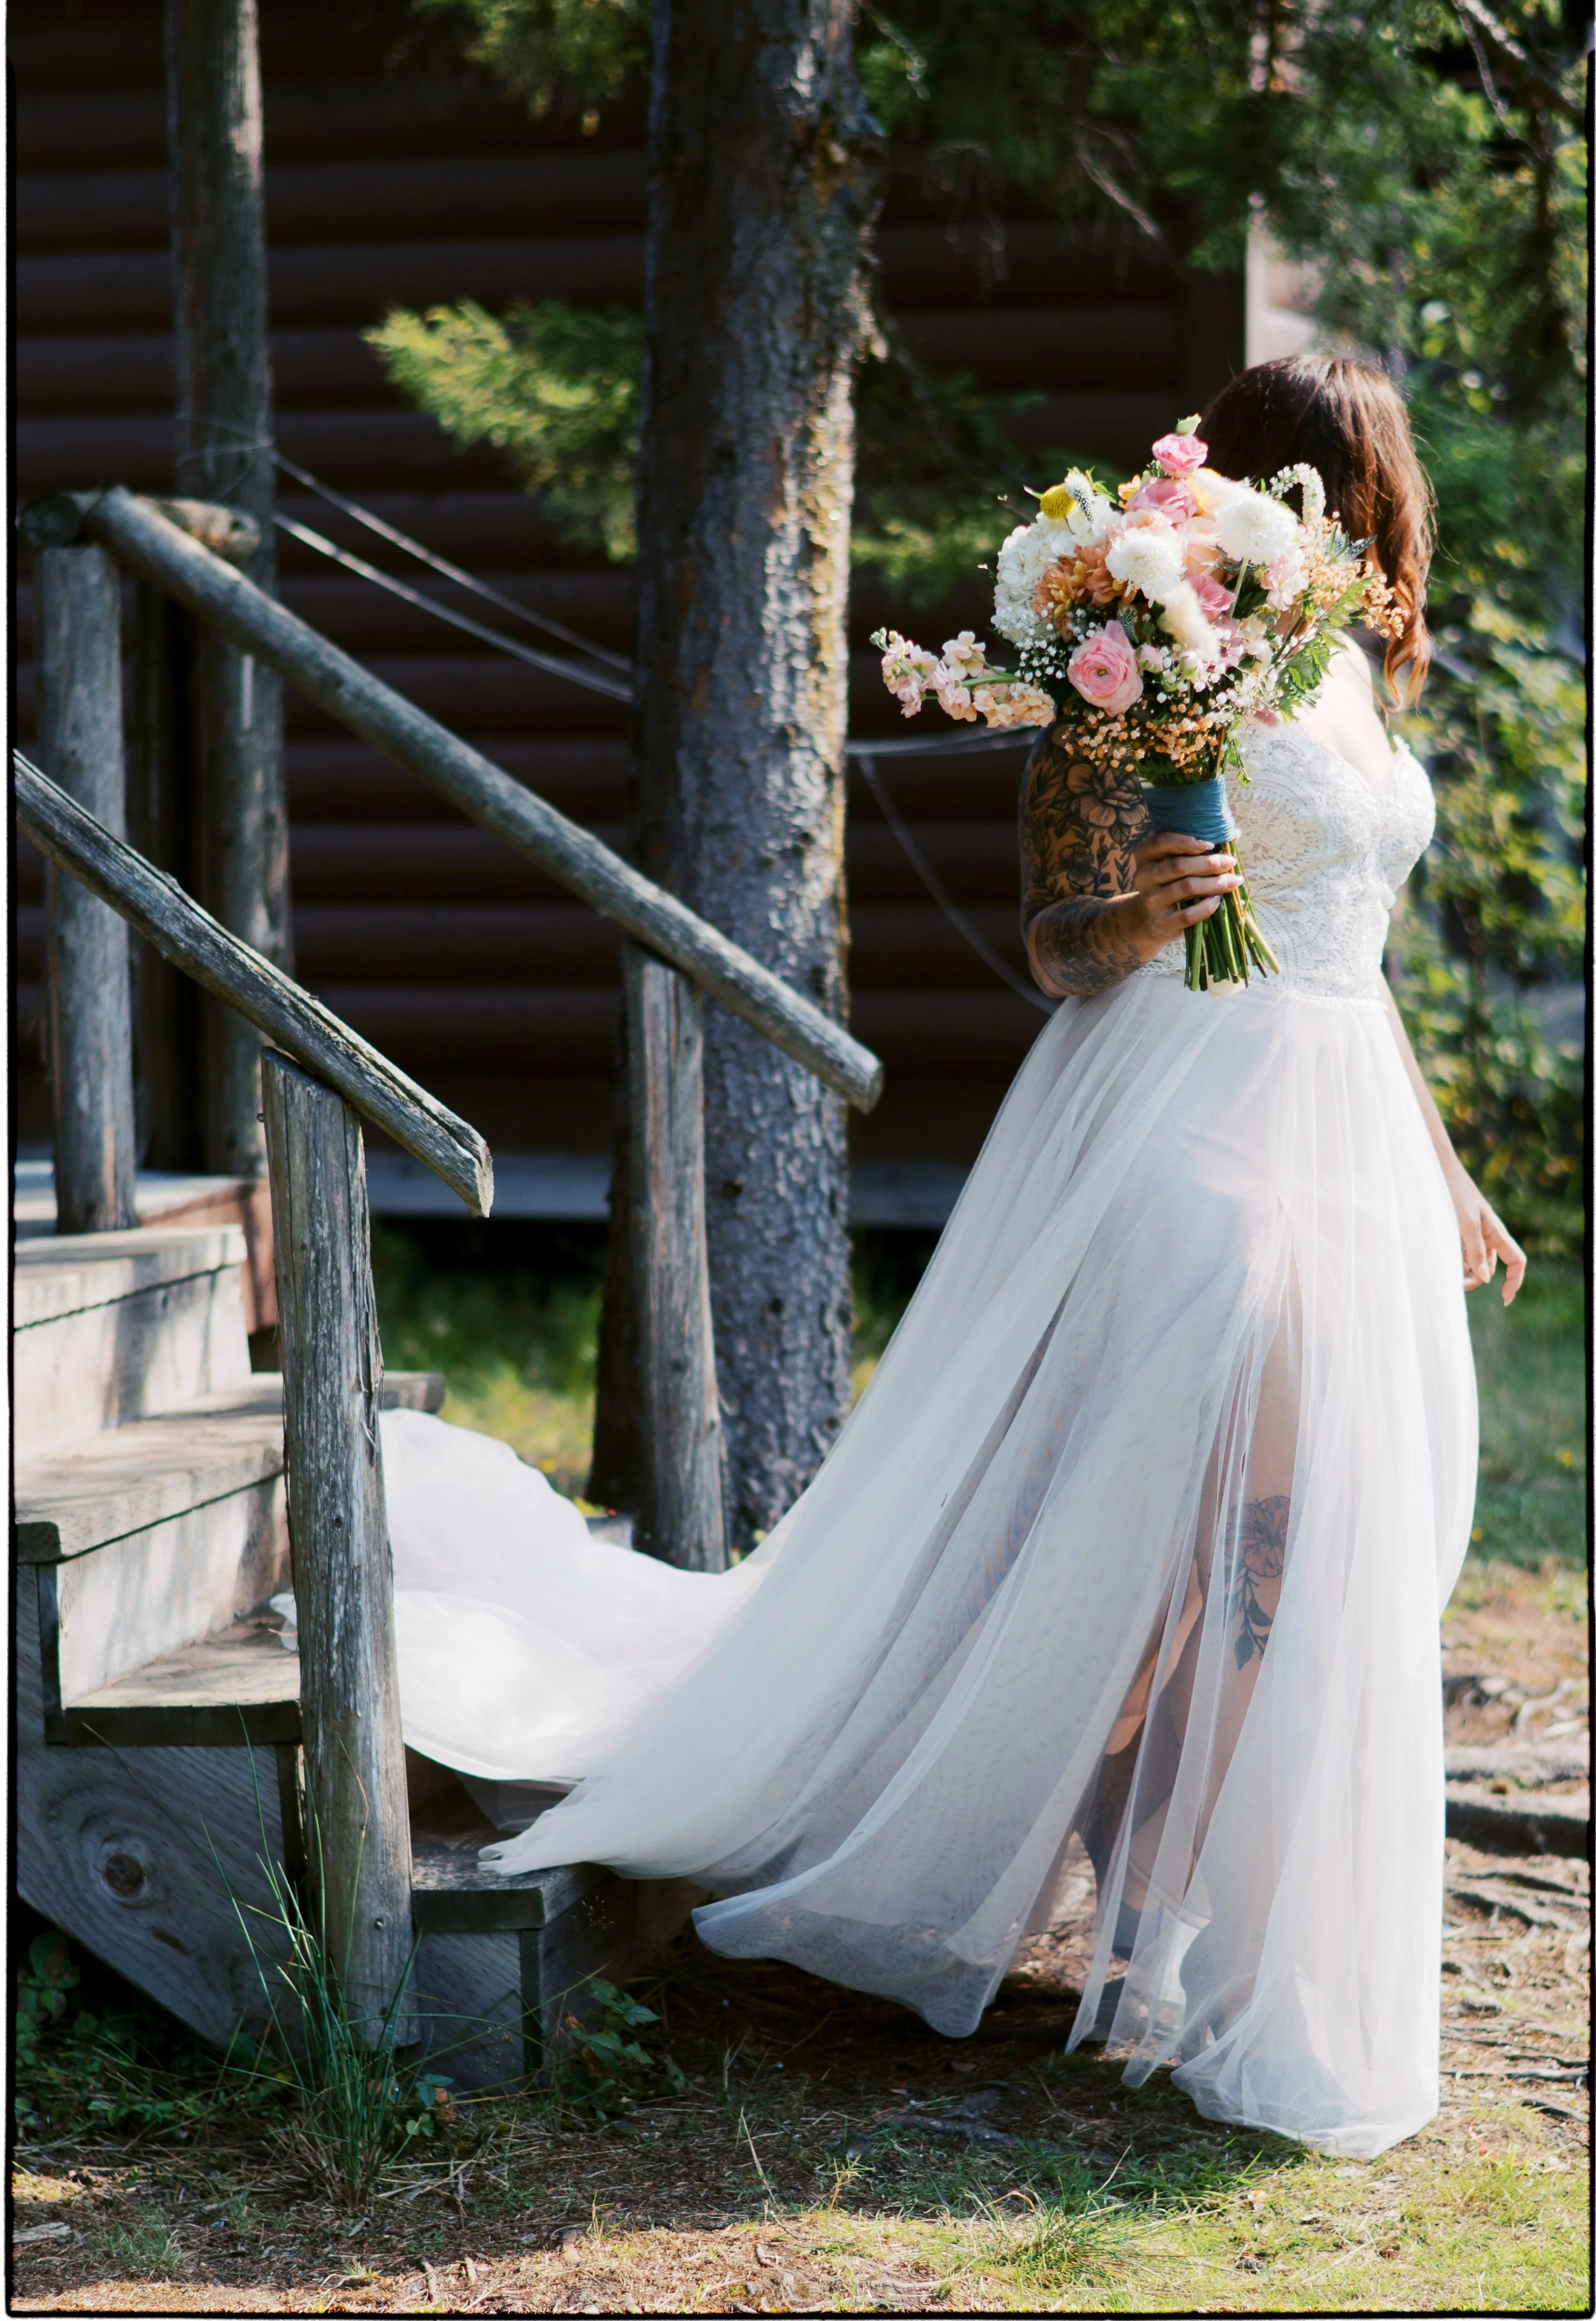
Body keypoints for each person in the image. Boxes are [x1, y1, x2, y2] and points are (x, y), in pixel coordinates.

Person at [369, 354, 1523, 2160]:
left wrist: (1445, 1168)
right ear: (1256, 485)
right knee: (1240, 1548)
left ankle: (1180, 1929)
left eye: (1363, 489)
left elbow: (1348, 957)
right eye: (1326, 480)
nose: (1350, 516)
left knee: (1275, 1564)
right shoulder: (1144, 642)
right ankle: (1149, 1941)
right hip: (1181, 1136)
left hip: (1344, 1131)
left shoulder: (1362, 669)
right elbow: (1055, 939)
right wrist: (1130, 913)